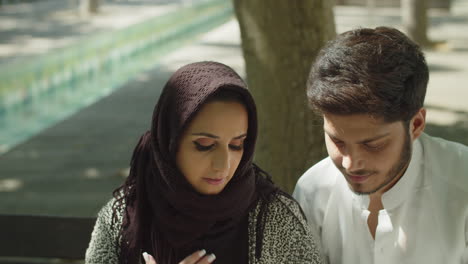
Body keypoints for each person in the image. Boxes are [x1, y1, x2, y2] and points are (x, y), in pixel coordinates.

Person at [85, 61, 323, 264]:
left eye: (236, 145)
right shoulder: (121, 217)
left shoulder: (274, 217)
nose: (223, 165)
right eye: (205, 145)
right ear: (170, 141)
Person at [293, 27, 468, 264]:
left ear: (416, 124)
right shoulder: (313, 190)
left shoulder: (462, 180)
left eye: (372, 145)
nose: (350, 163)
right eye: (337, 141)